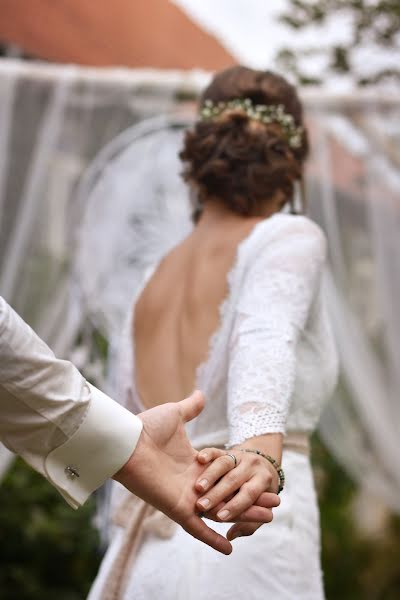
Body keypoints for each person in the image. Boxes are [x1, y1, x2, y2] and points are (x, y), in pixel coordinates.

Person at [88, 66, 338, 599]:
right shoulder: (288, 238)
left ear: (198, 158)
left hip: (147, 552)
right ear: (290, 165)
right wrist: (258, 455)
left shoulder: (147, 283)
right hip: (246, 538)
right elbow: (264, 334)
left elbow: (129, 429)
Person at [0, 296, 279, 556]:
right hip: (221, 511)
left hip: (160, 512)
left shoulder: (150, 275)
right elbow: (267, 337)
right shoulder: (287, 246)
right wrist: (261, 452)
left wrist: (130, 447)